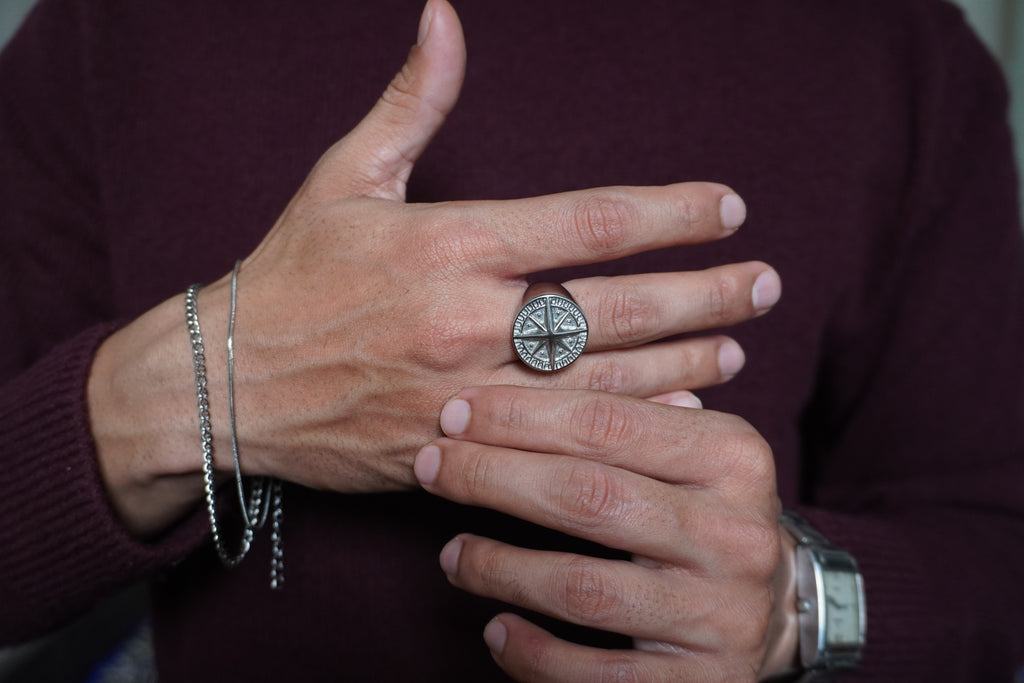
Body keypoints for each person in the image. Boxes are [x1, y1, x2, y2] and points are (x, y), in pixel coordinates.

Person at [1, 0, 1022, 680]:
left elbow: (989, 539)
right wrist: (202, 389)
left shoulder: (894, 51)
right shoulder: (117, 25)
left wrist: (794, 607)